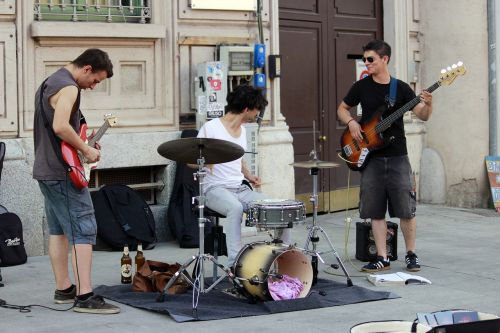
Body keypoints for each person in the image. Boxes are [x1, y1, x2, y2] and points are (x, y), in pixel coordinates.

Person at [33, 48, 120, 314]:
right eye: (95, 80)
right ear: (86, 69)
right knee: (83, 229)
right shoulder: (69, 87)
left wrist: (83, 141)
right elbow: (60, 126)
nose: (94, 86)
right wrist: (85, 149)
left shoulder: (50, 82)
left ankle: (64, 289)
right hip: (63, 172)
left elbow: (60, 129)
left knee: (58, 230)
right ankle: (85, 296)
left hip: (47, 169)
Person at [337, 40, 433, 273]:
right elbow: (341, 108)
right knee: (374, 210)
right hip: (371, 157)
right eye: (365, 59)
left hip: (398, 155)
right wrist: (351, 123)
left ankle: (411, 254)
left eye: (371, 59)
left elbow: (422, 115)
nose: (366, 63)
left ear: (384, 59)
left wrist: (429, 104)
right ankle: (382, 256)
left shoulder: (400, 88)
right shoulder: (361, 87)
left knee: (406, 209)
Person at [197, 85, 291, 269]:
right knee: (236, 208)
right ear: (247, 109)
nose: (257, 114)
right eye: (256, 109)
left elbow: (238, 160)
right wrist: (205, 161)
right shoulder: (211, 128)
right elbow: (189, 159)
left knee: (280, 207)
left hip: (239, 187)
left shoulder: (242, 131)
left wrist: (249, 175)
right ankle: (235, 264)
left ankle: (284, 259)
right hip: (213, 189)